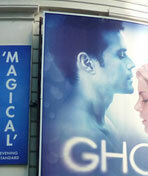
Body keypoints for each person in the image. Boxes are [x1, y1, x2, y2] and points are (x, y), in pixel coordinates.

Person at [48, 16, 136, 148]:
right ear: (87, 63)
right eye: (121, 55)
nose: (131, 64)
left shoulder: (102, 122)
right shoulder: (79, 136)